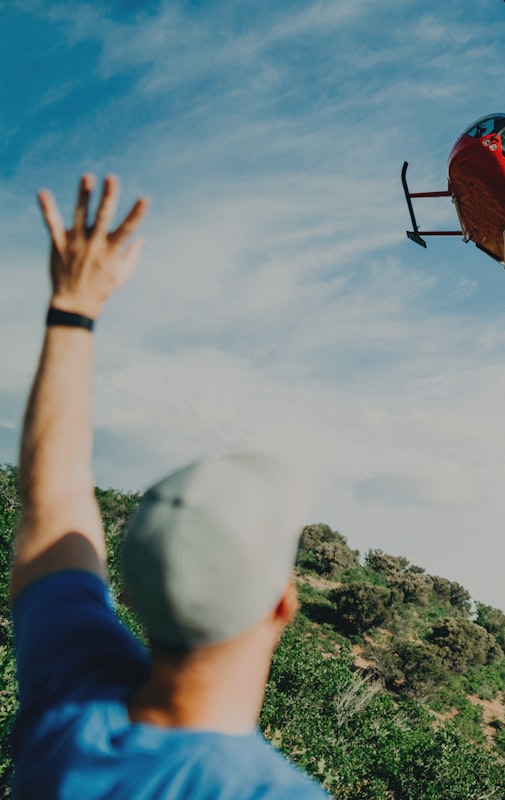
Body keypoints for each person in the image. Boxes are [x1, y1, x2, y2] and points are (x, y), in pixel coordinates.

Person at [9, 174, 329, 798]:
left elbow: (54, 497)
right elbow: (55, 502)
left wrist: (73, 307)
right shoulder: (276, 793)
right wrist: (75, 309)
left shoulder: (70, 697)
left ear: (130, 588)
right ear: (283, 604)